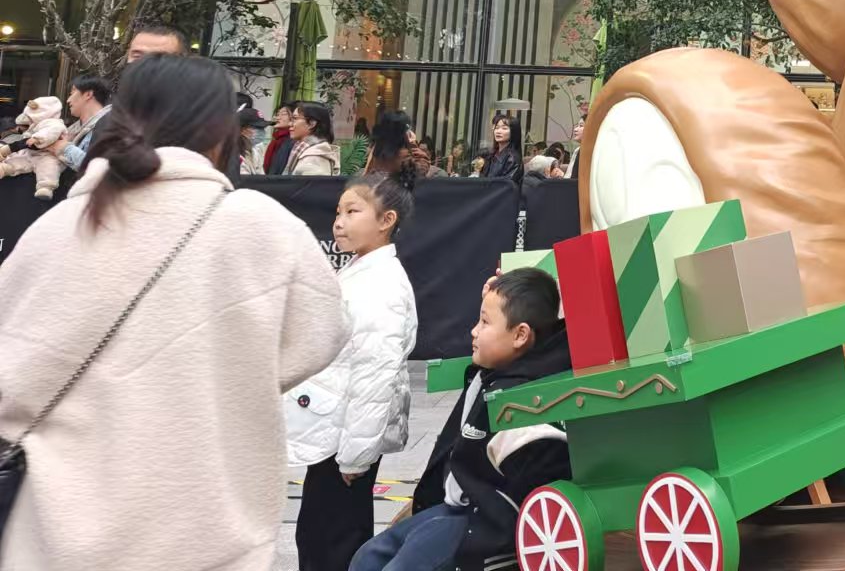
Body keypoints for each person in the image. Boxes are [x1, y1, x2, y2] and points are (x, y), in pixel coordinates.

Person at [0, 55, 348, 571]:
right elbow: (322, 336)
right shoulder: (262, 227)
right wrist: (225, 370)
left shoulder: (60, 227)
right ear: (221, 130)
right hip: (206, 529)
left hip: (59, 531)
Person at [350, 270, 570, 571]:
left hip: (484, 523)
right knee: (368, 557)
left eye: (485, 322)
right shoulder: (493, 374)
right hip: (454, 508)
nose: (474, 331)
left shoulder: (526, 402)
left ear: (520, 335)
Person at [287, 167, 420, 571]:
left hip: (346, 440)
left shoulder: (381, 285)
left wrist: (355, 457)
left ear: (386, 220)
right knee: (320, 533)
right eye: (338, 212)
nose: (339, 222)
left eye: (352, 211)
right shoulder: (363, 271)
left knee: (332, 541)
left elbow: (375, 375)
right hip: (335, 431)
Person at [52, 73, 112, 173]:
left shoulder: (109, 125)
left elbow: (99, 170)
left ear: (88, 94)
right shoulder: (74, 129)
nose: (68, 100)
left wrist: (65, 148)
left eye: (72, 93)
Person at [284, 101, 339, 176]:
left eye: (295, 118)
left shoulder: (314, 157)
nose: (290, 124)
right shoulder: (304, 149)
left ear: (311, 123)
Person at [482, 113, 522, 183]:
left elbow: (506, 184)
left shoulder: (512, 158)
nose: (498, 131)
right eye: (497, 128)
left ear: (513, 132)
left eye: (504, 128)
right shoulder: (492, 154)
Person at [266, 101, 297, 174]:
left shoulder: (293, 141)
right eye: (277, 114)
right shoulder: (277, 139)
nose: (277, 118)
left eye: (283, 114)